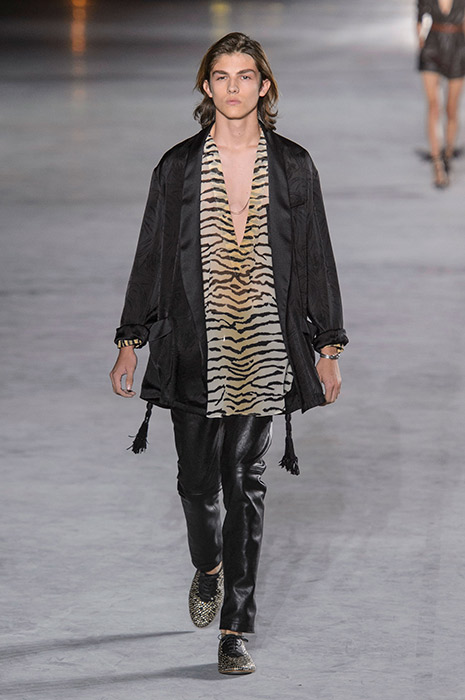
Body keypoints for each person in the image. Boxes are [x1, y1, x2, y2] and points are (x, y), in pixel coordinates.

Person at [110, 32, 348, 675]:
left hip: (265, 341)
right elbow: (152, 254)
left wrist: (327, 344)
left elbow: (317, 254)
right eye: (222, 76)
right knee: (196, 484)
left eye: (246, 76)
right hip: (194, 341)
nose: (234, 87)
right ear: (206, 86)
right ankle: (208, 565)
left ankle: (235, 628)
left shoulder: (294, 165)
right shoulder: (177, 167)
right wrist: (131, 340)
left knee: (245, 481)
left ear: (264, 86)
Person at [417, 0, 465, 187]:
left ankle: (448, 153)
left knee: (451, 108)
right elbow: (419, 19)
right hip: (432, 48)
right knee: (433, 106)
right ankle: (437, 162)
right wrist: (420, 43)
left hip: (457, 49)